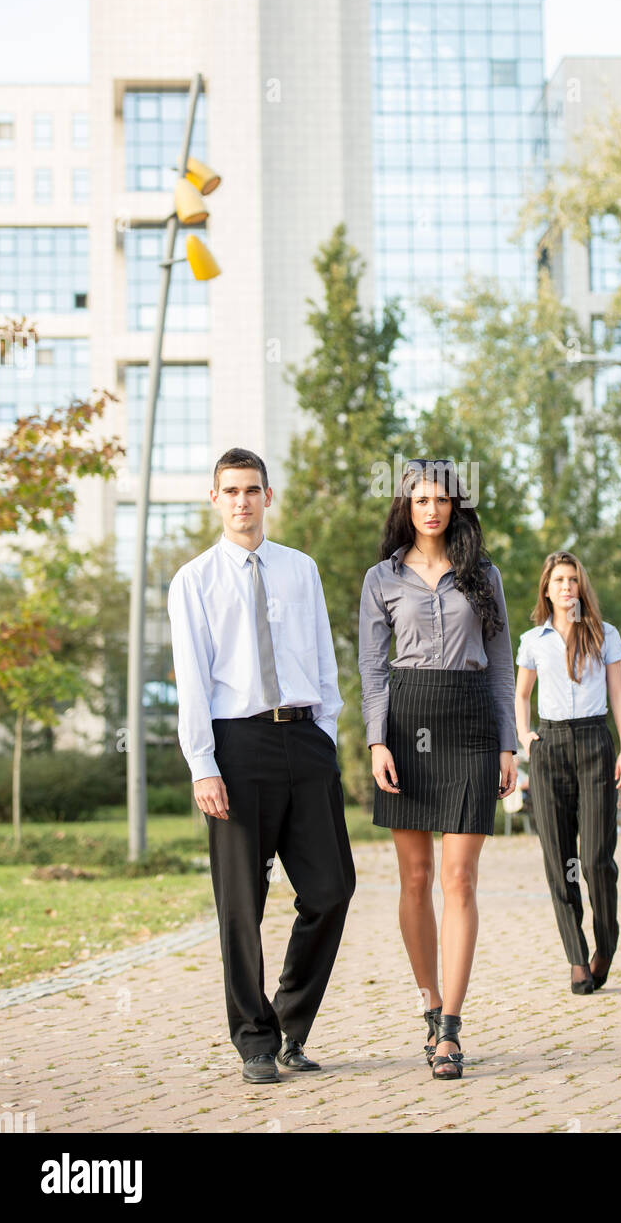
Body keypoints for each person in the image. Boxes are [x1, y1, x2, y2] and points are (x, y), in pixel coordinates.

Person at [167, 448, 355, 1083]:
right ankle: (254, 1041)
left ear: (268, 497)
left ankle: (290, 1023)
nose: (242, 501)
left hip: (305, 741)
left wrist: (326, 733)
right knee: (241, 906)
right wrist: (202, 763)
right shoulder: (192, 581)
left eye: (252, 489)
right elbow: (192, 679)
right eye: (231, 491)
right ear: (214, 500)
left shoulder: (301, 570)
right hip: (236, 747)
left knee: (331, 889)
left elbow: (324, 658)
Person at [358, 459, 517, 1080]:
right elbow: (373, 669)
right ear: (406, 505)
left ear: (455, 506)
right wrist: (377, 742)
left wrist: (508, 743)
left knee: (461, 878)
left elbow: (501, 663)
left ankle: (451, 1026)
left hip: (472, 722)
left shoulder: (485, 575)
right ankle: (428, 1003)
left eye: (441, 499)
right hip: (407, 721)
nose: (431, 509)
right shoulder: (382, 578)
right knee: (416, 874)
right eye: (420, 499)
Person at [516, 552, 621, 994]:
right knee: (560, 861)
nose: (567, 587)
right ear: (546, 589)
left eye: (573, 580)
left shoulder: (604, 635)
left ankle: (606, 944)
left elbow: (619, 695)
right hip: (549, 750)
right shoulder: (533, 640)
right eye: (559, 580)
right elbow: (521, 694)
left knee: (595, 860)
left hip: (594, 745)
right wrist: (525, 736)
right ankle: (576, 956)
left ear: (581, 587)